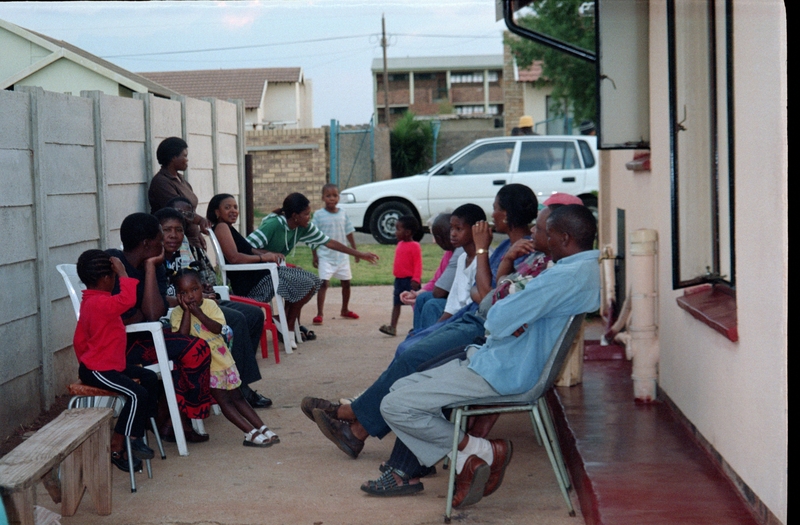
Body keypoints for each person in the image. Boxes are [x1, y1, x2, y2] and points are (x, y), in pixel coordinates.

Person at [374, 205, 600, 506]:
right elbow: (504, 311)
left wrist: (511, 305)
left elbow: (494, 317)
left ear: (564, 238)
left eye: (543, 231)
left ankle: (484, 451)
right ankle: (468, 460)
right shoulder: (583, 267)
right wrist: (516, 310)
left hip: (503, 372)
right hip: (501, 361)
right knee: (401, 388)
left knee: (394, 406)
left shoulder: (561, 277)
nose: (536, 234)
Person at [302, 194, 548, 463]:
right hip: (473, 318)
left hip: (485, 331)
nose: (491, 216)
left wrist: (481, 253)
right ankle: (356, 429)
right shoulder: (507, 247)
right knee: (411, 348)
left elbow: (487, 298)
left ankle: (353, 417)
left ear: (508, 215)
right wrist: (487, 282)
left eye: (496, 209)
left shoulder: (523, 254)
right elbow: (480, 291)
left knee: (415, 358)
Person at [154, 205, 272, 409]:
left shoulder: (181, 252)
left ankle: (235, 379)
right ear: (156, 232)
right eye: (167, 230)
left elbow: (190, 278)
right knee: (236, 319)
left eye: (179, 230)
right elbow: (159, 298)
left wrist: (203, 289)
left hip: (198, 301)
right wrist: (192, 300)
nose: (174, 235)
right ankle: (239, 390)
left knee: (253, 315)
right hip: (181, 312)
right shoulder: (154, 257)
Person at [108, 212, 212, 443]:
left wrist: (150, 268)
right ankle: (167, 418)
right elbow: (135, 317)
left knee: (195, 347)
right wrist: (139, 313)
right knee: (196, 350)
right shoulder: (113, 264)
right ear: (147, 244)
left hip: (146, 336)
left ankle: (167, 419)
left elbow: (152, 315)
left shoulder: (156, 265)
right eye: (159, 238)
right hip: (121, 346)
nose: (163, 242)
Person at [239, 193, 379, 345]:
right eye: (306, 214)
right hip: (256, 273)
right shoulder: (274, 224)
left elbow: (329, 242)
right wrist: (268, 254)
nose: (309, 217)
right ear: (295, 215)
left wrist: (359, 253)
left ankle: (285, 322)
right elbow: (245, 247)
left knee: (313, 282)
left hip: (274, 269)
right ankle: (287, 326)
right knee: (302, 281)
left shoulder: (302, 227)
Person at [170, 270, 279, 448]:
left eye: (194, 289)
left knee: (238, 398)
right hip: (207, 366)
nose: (190, 296)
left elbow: (217, 328)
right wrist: (188, 313)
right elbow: (182, 339)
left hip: (225, 362)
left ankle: (263, 428)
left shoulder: (211, 306)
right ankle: (249, 432)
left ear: (201, 289)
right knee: (224, 402)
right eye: (184, 293)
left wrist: (198, 313)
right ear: (177, 295)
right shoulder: (177, 314)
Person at [73, 249, 159, 472]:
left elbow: (79, 339)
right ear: (106, 279)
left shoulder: (95, 301)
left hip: (109, 366)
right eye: (112, 277)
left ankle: (139, 425)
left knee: (149, 378)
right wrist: (123, 272)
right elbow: (128, 300)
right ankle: (123, 443)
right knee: (135, 394)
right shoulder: (99, 304)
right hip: (98, 369)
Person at [400, 213, 459, 332]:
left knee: (431, 305)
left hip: (458, 302)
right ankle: (418, 336)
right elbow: (437, 280)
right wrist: (417, 294)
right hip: (450, 297)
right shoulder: (449, 253)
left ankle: (426, 338)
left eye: (436, 236)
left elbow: (439, 291)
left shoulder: (459, 253)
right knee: (423, 298)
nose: (434, 242)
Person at [147, 137, 210, 250]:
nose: (187, 159)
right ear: (173, 157)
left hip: (191, 239)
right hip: (175, 242)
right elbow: (179, 211)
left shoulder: (181, 180)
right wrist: (201, 221)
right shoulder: (161, 182)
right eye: (184, 156)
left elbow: (191, 210)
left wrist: (197, 232)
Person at [310, 184, 360, 325]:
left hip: (342, 257)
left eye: (335, 195)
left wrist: (355, 251)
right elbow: (313, 236)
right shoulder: (319, 215)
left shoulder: (343, 213)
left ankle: (345, 309)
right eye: (328, 195)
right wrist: (314, 255)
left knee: (346, 283)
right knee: (323, 283)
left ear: (339, 197)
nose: (332, 198)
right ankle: (319, 313)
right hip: (325, 256)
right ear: (322, 198)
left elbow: (349, 232)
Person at [379, 215, 423, 337]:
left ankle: (418, 326)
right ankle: (392, 327)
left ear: (407, 232)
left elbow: (418, 264)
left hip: (410, 280)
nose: (395, 232)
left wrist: (416, 279)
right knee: (396, 303)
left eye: (398, 229)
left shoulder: (415, 246)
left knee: (415, 304)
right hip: (399, 280)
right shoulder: (400, 244)